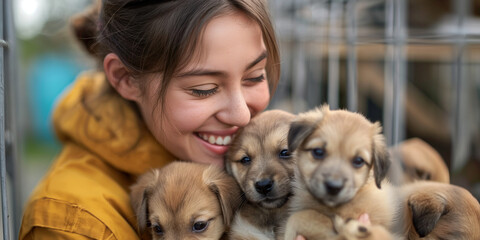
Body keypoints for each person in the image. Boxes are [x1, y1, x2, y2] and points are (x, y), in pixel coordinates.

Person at [19, 0, 280, 239]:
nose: (241, 115)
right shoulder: (74, 224)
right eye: (204, 88)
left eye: (255, 76)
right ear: (125, 78)